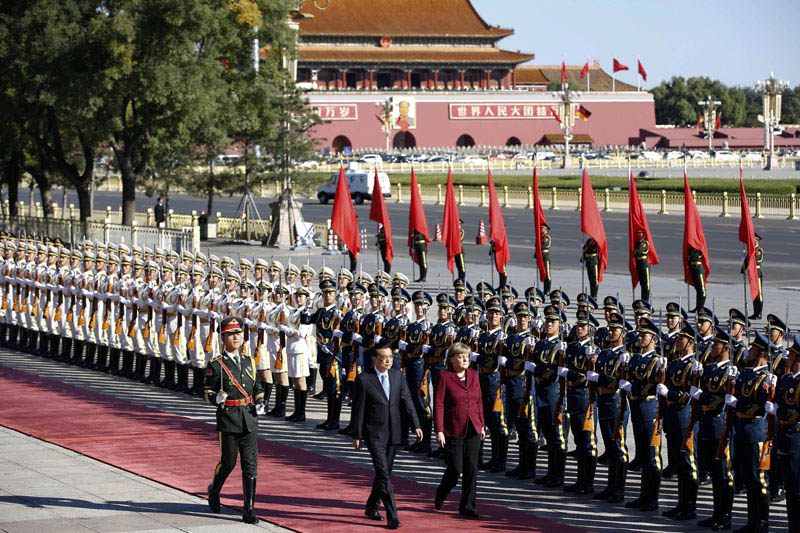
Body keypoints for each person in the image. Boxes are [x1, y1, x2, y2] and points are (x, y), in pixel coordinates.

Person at [351, 340, 422, 529]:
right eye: (384, 357)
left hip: (394, 432)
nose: (388, 361)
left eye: (391, 357)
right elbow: (358, 410)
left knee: (385, 473)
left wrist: (416, 424)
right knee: (383, 474)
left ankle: (371, 506)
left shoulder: (397, 376)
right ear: (374, 359)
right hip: (374, 434)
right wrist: (357, 435)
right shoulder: (364, 379)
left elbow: (406, 400)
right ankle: (393, 516)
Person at [204, 316, 265, 525]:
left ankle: (248, 509)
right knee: (228, 462)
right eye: (231, 334)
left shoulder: (249, 361)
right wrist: (215, 398)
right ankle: (214, 489)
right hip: (229, 419)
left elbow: (257, 387)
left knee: (250, 465)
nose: (236, 337)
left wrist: (261, 401)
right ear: (223, 338)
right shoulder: (216, 365)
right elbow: (206, 391)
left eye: (238, 333)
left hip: (249, 418)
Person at [434, 342, 485, 518]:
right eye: (461, 356)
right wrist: (439, 430)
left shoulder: (473, 375)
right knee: (455, 468)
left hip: (473, 427)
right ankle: (442, 492)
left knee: (471, 469)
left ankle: (467, 507)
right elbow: (439, 404)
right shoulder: (444, 376)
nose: (465, 360)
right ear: (452, 358)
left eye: (467, 357)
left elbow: (478, 400)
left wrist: (482, 424)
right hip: (453, 427)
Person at [744, 233, 764, 319]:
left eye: (754, 240)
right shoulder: (751, 250)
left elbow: (754, 259)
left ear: (757, 241)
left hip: (757, 273)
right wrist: (743, 271)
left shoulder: (758, 250)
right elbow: (746, 262)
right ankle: (755, 312)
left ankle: (759, 313)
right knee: (754, 293)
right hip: (752, 273)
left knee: (759, 294)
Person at [633, 230, 651, 302]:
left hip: (644, 263)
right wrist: (636, 252)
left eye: (640, 233)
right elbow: (634, 253)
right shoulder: (637, 243)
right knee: (641, 283)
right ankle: (643, 299)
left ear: (643, 234)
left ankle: (646, 300)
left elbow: (640, 251)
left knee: (646, 283)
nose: (639, 234)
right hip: (638, 263)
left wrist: (637, 252)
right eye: (638, 233)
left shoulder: (645, 243)